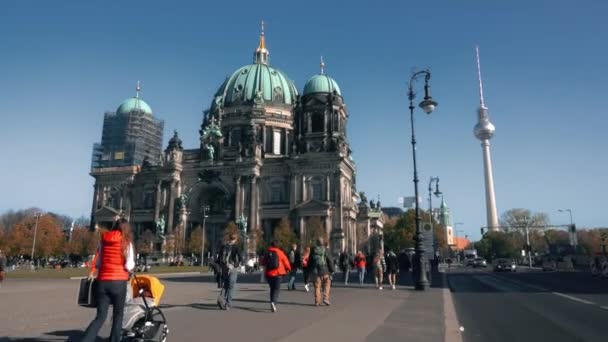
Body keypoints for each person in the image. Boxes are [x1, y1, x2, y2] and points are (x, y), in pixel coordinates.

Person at [82, 218, 135, 342]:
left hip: (102, 281)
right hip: (118, 282)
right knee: (118, 315)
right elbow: (129, 265)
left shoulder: (103, 240)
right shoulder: (126, 242)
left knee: (100, 316)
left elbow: (98, 261)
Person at [263, 240, 291, 312]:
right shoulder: (280, 252)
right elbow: (286, 261)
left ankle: (272, 301)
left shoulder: (267, 252)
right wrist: (288, 269)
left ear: (271, 245)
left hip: (269, 274)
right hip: (278, 273)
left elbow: (263, 262)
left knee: (272, 288)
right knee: (276, 289)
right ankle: (273, 302)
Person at [217, 233, 242, 310]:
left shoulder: (223, 246)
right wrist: (236, 264)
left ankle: (221, 298)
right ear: (235, 239)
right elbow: (240, 258)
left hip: (224, 268)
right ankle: (228, 304)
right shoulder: (236, 246)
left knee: (226, 284)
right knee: (231, 286)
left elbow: (218, 258)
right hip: (232, 268)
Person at [308, 237, 334, 306]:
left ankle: (317, 301)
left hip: (316, 272)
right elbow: (330, 261)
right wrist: (332, 270)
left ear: (317, 243)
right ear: (323, 243)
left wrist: (309, 270)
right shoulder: (326, 250)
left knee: (317, 287)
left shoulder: (313, 250)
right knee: (327, 285)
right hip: (325, 271)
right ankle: (326, 298)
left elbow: (309, 261)